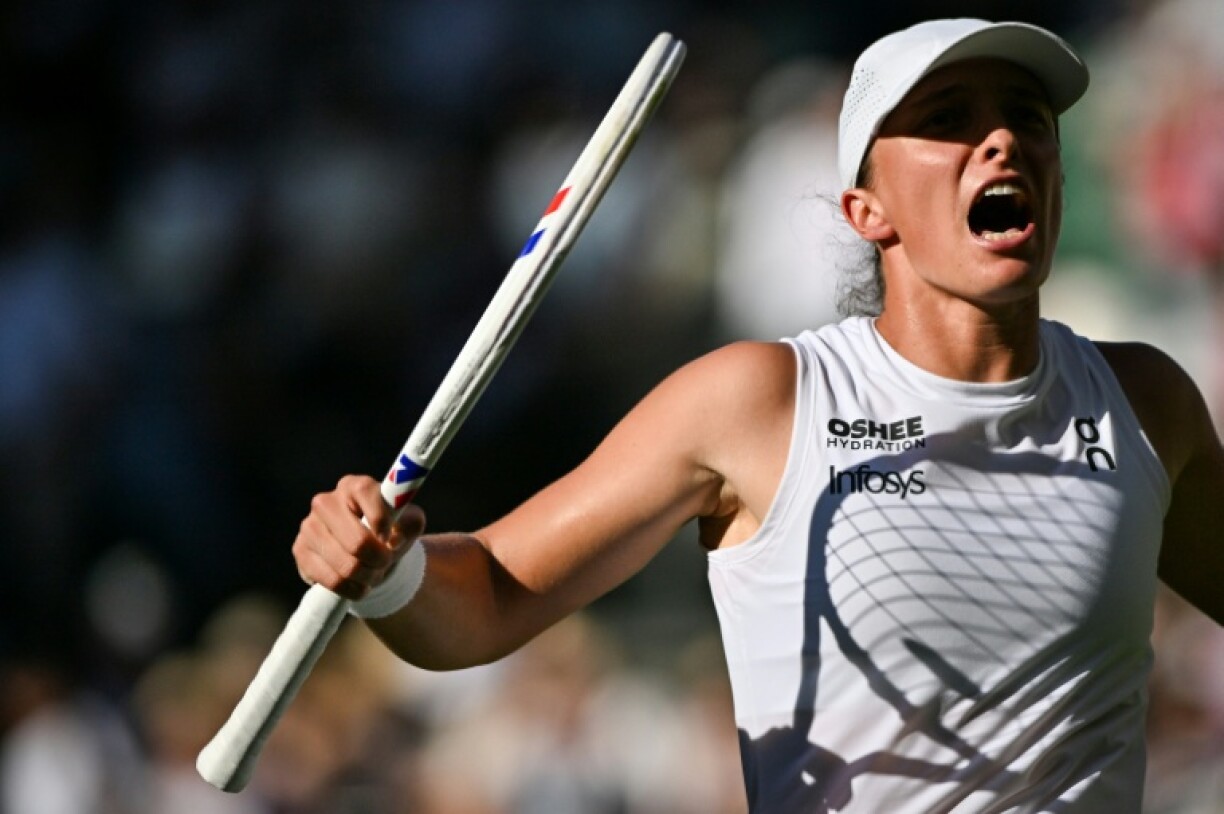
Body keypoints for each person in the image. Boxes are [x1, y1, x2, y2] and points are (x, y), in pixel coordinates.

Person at [292, 18, 1224, 812]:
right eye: (949, 121)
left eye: (1028, 119)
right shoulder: (761, 400)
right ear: (868, 210)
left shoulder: (1148, 403)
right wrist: (387, 573)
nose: (1003, 143)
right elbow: (489, 598)